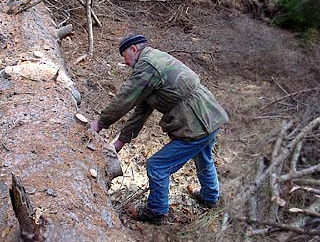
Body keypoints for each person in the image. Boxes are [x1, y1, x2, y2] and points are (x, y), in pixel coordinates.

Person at [91, 34, 229, 224]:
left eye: (125, 57)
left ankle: (155, 211)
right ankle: (210, 197)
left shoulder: (147, 65)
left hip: (196, 122)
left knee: (157, 166)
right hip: (210, 116)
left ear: (133, 50)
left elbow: (125, 98)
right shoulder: (155, 60)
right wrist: (120, 142)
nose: (126, 63)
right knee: (204, 157)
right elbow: (142, 110)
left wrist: (99, 123)